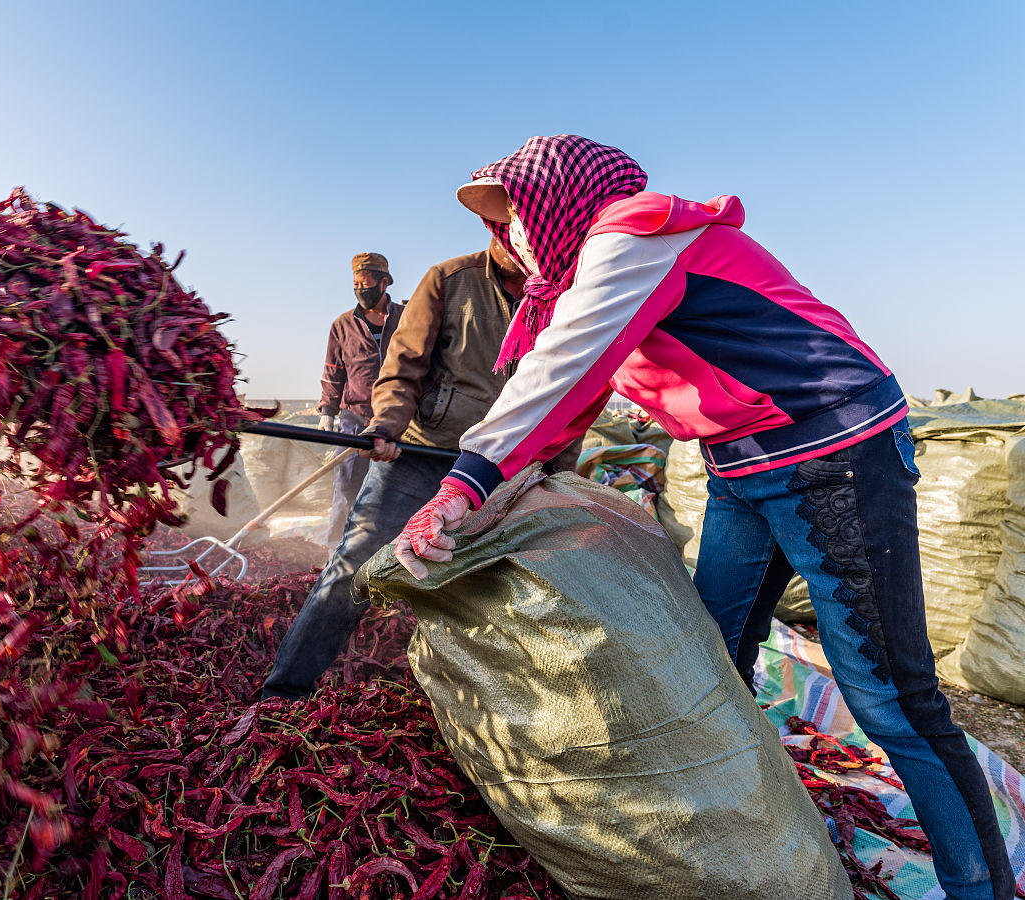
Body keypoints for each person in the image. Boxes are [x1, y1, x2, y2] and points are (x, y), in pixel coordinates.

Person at [393, 135, 1014, 900]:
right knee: (713, 653)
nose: (511, 235)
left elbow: (564, 368)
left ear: (560, 198)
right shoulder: (585, 277)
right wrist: (506, 486)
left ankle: (977, 884)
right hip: (740, 467)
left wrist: (466, 480)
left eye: (517, 212)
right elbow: (574, 396)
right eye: (501, 223)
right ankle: (754, 840)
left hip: (833, 450)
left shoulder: (637, 232)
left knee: (891, 697)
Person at [263, 239, 579, 701]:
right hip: (424, 454)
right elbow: (402, 367)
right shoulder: (451, 280)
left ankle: (498, 701)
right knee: (356, 560)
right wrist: (386, 425)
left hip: (503, 468)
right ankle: (285, 689)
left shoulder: (562, 296)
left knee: (501, 582)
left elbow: (569, 394)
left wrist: (558, 473)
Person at [317, 252, 403, 547]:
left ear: (383, 283)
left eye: (365, 284)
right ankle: (334, 551)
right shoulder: (342, 325)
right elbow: (333, 371)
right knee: (347, 488)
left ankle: (385, 551)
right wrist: (327, 410)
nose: (360, 291)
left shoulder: (405, 319)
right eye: (355, 285)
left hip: (397, 418)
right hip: (355, 419)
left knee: (393, 490)